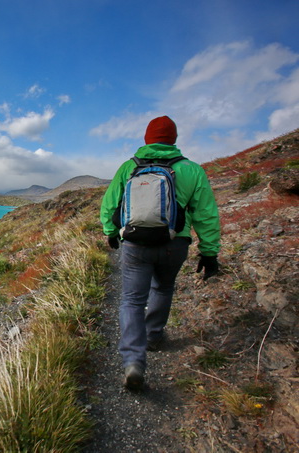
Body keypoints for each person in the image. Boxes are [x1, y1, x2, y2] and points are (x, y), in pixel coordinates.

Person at [99, 116, 221, 391]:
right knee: (163, 288)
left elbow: (108, 205)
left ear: (147, 139)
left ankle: (133, 361)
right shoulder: (191, 170)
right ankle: (153, 335)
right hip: (175, 243)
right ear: (174, 140)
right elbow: (206, 214)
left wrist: (111, 232)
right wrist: (209, 252)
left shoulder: (129, 167)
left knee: (131, 299)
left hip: (135, 245)